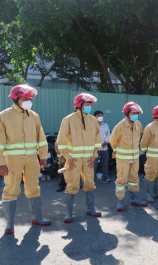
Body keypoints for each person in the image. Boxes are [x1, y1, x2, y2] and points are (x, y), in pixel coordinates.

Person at [0, 84, 51, 234]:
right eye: (25, 98)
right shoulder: (3, 116)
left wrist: (43, 156)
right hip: (12, 160)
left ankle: (37, 217)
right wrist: (1, 163)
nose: (28, 101)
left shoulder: (34, 116)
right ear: (16, 98)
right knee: (11, 188)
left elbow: (41, 138)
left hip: (32, 158)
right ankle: (10, 224)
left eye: (30, 98)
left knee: (33, 187)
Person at [57, 93, 102, 223]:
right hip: (73, 160)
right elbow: (61, 141)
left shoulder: (93, 120)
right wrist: (67, 157)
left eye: (90, 104)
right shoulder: (68, 119)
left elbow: (97, 139)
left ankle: (90, 209)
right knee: (72, 184)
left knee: (90, 183)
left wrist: (94, 155)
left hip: (89, 159)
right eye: (87, 104)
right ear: (79, 105)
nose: (89, 107)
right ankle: (69, 213)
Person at [109, 102, 148, 211]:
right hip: (122, 159)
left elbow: (140, 137)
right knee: (121, 180)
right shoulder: (120, 126)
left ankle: (135, 198)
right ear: (127, 113)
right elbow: (112, 140)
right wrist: (117, 152)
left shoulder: (138, 124)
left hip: (135, 158)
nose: (135, 114)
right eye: (133, 112)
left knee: (134, 178)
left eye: (137, 112)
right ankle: (120, 201)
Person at [140, 105, 158, 203]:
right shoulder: (149, 127)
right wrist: (144, 153)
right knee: (150, 175)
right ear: (157, 115)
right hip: (152, 157)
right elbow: (144, 142)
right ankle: (149, 194)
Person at [93, 110, 113, 183]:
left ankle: (106, 178)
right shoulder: (92, 126)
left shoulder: (105, 125)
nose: (100, 117)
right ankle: (92, 180)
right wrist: (98, 144)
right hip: (95, 149)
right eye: (98, 115)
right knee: (94, 165)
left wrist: (106, 142)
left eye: (101, 115)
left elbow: (109, 134)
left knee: (105, 164)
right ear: (95, 117)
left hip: (105, 148)